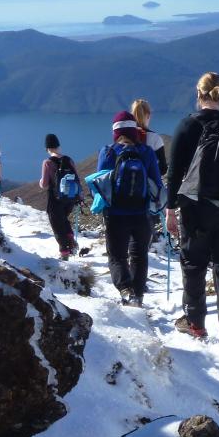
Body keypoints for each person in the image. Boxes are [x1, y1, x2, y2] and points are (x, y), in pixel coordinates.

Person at [165, 72, 219, 353]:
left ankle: (195, 324)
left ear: (198, 93)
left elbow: (175, 174)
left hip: (197, 209)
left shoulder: (187, 126)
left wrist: (170, 210)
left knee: (194, 264)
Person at [98, 111, 163, 306]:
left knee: (117, 255)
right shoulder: (146, 152)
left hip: (116, 215)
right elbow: (157, 184)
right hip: (141, 215)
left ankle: (126, 290)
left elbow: (100, 184)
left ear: (115, 132)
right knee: (139, 255)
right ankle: (138, 295)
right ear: (134, 131)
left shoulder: (108, 151)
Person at [39, 133, 82, 259]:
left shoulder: (47, 162)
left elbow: (45, 184)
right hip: (70, 198)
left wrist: (40, 182)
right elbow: (77, 179)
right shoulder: (69, 160)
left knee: (56, 224)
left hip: (55, 199)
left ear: (47, 148)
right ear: (58, 146)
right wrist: (79, 197)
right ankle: (70, 238)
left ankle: (64, 252)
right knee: (63, 220)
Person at [131, 99, 167, 175]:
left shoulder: (126, 137)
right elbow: (163, 168)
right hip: (148, 183)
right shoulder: (155, 138)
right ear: (148, 115)